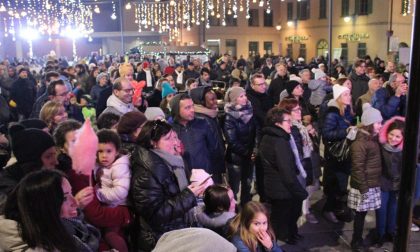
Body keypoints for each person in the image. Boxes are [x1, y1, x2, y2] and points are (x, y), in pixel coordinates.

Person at [130, 120, 207, 250]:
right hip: (160, 239)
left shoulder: (172, 161)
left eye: (174, 137)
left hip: (176, 230)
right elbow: (155, 214)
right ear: (153, 143)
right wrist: (188, 196)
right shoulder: (146, 172)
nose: (175, 142)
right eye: (168, 139)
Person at [3, 169, 100, 252]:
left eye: (71, 192)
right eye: (64, 198)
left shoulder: (67, 226)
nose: (75, 202)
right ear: (43, 206)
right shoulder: (33, 243)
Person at [259, 107, 308, 244]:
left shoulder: (269, 136)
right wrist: (300, 192)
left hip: (274, 186)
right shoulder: (279, 141)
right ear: (277, 123)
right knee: (286, 216)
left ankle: (291, 234)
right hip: (282, 189)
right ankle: (285, 238)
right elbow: (286, 171)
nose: (291, 124)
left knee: (281, 215)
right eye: (287, 121)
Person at [348, 104, 383, 251]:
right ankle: (356, 241)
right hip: (364, 185)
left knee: (364, 213)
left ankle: (366, 237)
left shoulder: (371, 138)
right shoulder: (361, 143)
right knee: (360, 215)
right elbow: (358, 168)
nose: (380, 125)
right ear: (369, 124)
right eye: (378, 123)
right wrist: (364, 188)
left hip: (371, 182)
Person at [278, 98, 319, 224]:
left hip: (308, 160)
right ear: (287, 113)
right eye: (295, 110)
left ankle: (304, 210)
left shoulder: (301, 126)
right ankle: (303, 213)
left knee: (312, 185)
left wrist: (311, 133)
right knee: (303, 188)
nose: (299, 112)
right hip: (300, 162)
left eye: (299, 109)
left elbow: (309, 145)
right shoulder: (291, 128)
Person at [0, 124, 57, 213]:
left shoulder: (47, 175)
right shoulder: (9, 191)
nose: (56, 162)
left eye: (55, 155)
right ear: (32, 161)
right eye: (48, 156)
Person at [170, 93, 222, 183]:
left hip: (206, 176)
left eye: (192, 106)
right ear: (177, 110)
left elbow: (214, 149)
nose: (192, 110)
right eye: (187, 108)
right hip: (184, 179)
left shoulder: (203, 123)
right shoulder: (170, 130)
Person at [322, 84, 354, 223]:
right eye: (346, 94)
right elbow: (327, 134)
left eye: (349, 94)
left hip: (344, 154)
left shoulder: (346, 111)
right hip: (335, 155)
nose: (349, 96)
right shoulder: (332, 113)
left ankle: (336, 208)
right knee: (335, 184)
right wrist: (345, 132)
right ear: (339, 97)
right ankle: (328, 210)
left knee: (341, 184)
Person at [95, 129, 131, 252]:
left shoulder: (119, 167)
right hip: (110, 205)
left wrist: (98, 194)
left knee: (111, 235)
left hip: (119, 206)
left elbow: (121, 192)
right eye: (100, 151)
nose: (104, 155)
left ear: (116, 152)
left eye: (108, 151)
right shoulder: (102, 165)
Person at [224, 87, 258, 206]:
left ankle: (245, 207)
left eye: (245, 95)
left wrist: (255, 149)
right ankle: (232, 210)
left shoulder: (250, 111)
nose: (245, 98)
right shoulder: (229, 116)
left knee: (247, 184)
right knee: (234, 187)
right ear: (234, 99)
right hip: (236, 159)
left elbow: (256, 132)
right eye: (241, 96)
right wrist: (249, 153)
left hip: (249, 156)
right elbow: (232, 141)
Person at [376, 116, 405, 247]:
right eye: (391, 134)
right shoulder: (380, 145)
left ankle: (390, 232)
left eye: (398, 137)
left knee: (393, 208)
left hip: (397, 184)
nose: (393, 138)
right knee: (381, 209)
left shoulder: (404, 150)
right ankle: (380, 234)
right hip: (382, 182)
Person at [246, 73, 274, 202]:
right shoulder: (250, 98)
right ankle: (263, 196)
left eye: (264, 84)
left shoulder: (265, 96)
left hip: (266, 133)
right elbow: (261, 116)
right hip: (256, 137)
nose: (264, 86)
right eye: (260, 84)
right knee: (260, 168)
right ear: (252, 85)